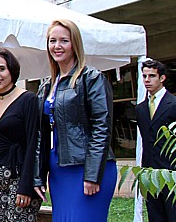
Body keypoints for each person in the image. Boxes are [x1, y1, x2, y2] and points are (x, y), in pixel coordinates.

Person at [34, 19, 116, 222]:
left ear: (75, 44)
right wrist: (38, 174)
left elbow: (102, 128)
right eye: (52, 41)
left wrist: (93, 174)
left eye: (64, 40)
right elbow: (40, 133)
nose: (57, 46)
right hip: (58, 167)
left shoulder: (91, 78)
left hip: (87, 166)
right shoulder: (46, 85)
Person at [0, 48, 40, 222]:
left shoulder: (28, 100)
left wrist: (27, 185)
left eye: (1, 69)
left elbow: (33, 144)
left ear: (11, 70)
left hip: (20, 175)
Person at [136, 58, 176, 222]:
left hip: (172, 174)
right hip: (149, 174)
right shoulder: (140, 108)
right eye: (144, 76)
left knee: (175, 216)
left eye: (152, 76)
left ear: (162, 78)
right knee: (155, 216)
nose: (147, 80)